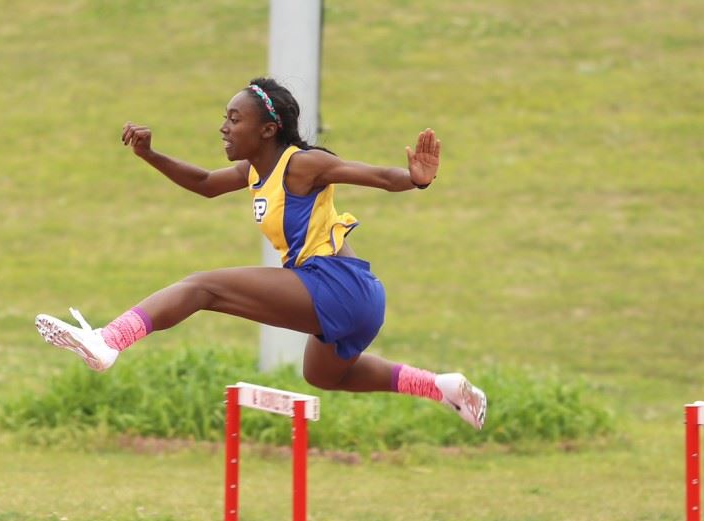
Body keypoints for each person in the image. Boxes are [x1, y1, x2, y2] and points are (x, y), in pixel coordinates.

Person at [35, 77, 486, 430]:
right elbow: (205, 185)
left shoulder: (301, 164)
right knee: (324, 377)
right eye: (225, 117)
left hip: (337, 285)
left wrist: (418, 178)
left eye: (235, 118)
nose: (224, 127)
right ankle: (440, 387)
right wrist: (150, 154)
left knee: (203, 286)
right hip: (352, 298)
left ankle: (108, 340)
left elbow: (384, 178)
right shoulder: (254, 170)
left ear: (268, 129)